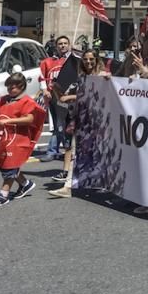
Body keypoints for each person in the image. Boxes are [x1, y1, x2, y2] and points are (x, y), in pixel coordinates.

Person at [49, 49, 104, 196]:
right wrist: (58, 92)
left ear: (97, 60)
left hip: (98, 120)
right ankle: (68, 186)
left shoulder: (103, 77)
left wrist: (71, 97)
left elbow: (95, 96)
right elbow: (72, 96)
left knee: (98, 152)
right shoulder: (81, 77)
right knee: (75, 151)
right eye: (85, 59)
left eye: (91, 59)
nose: (88, 62)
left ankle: (99, 181)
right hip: (81, 118)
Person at [0, 73, 45, 207]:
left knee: (9, 165)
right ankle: (25, 184)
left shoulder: (27, 101)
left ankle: (3, 194)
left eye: (13, 87)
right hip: (3, 137)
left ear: (21, 86)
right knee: (4, 164)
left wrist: (9, 121)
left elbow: (29, 119)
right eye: (9, 86)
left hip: (18, 139)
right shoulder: (3, 99)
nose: (10, 89)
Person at [39, 34, 73, 161]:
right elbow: (42, 77)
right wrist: (44, 90)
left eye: (65, 43)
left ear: (69, 45)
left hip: (69, 98)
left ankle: (57, 150)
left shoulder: (73, 61)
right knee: (58, 123)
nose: (63, 46)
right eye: (60, 44)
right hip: (53, 98)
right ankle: (56, 150)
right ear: (56, 46)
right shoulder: (48, 62)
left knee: (64, 124)